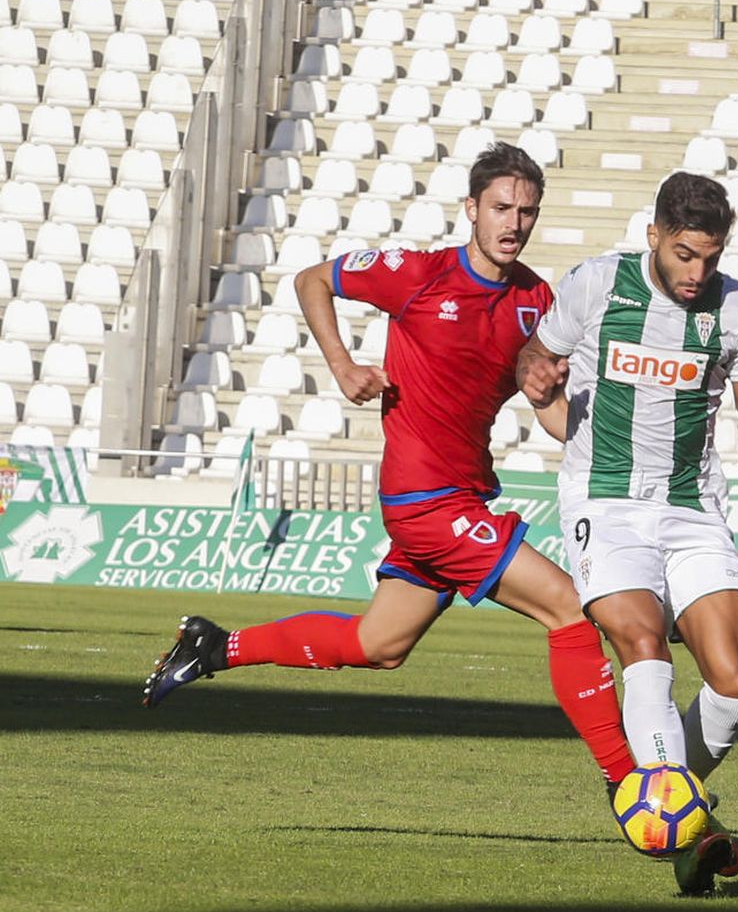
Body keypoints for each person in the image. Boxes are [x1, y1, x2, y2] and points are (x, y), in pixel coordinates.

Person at [142, 143, 636, 795]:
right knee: (569, 609)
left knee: (380, 645)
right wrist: (344, 365)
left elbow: (547, 414)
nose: (513, 223)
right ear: (471, 209)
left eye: (526, 212)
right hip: (428, 502)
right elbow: (311, 279)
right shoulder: (417, 273)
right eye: (500, 208)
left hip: (460, 499)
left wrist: (577, 420)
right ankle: (629, 783)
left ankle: (216, 647)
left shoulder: (535, 303)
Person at [521, 171, 738, 895]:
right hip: (604, 502)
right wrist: (545, 396)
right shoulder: (594, 286)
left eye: (709, 257)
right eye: (683, 255)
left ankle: (662, 807)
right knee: (642, 641)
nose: (695, 273)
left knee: (736, 683)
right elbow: (533, 362)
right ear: (654, 237)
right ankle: (674, 809)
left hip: (692, 507)